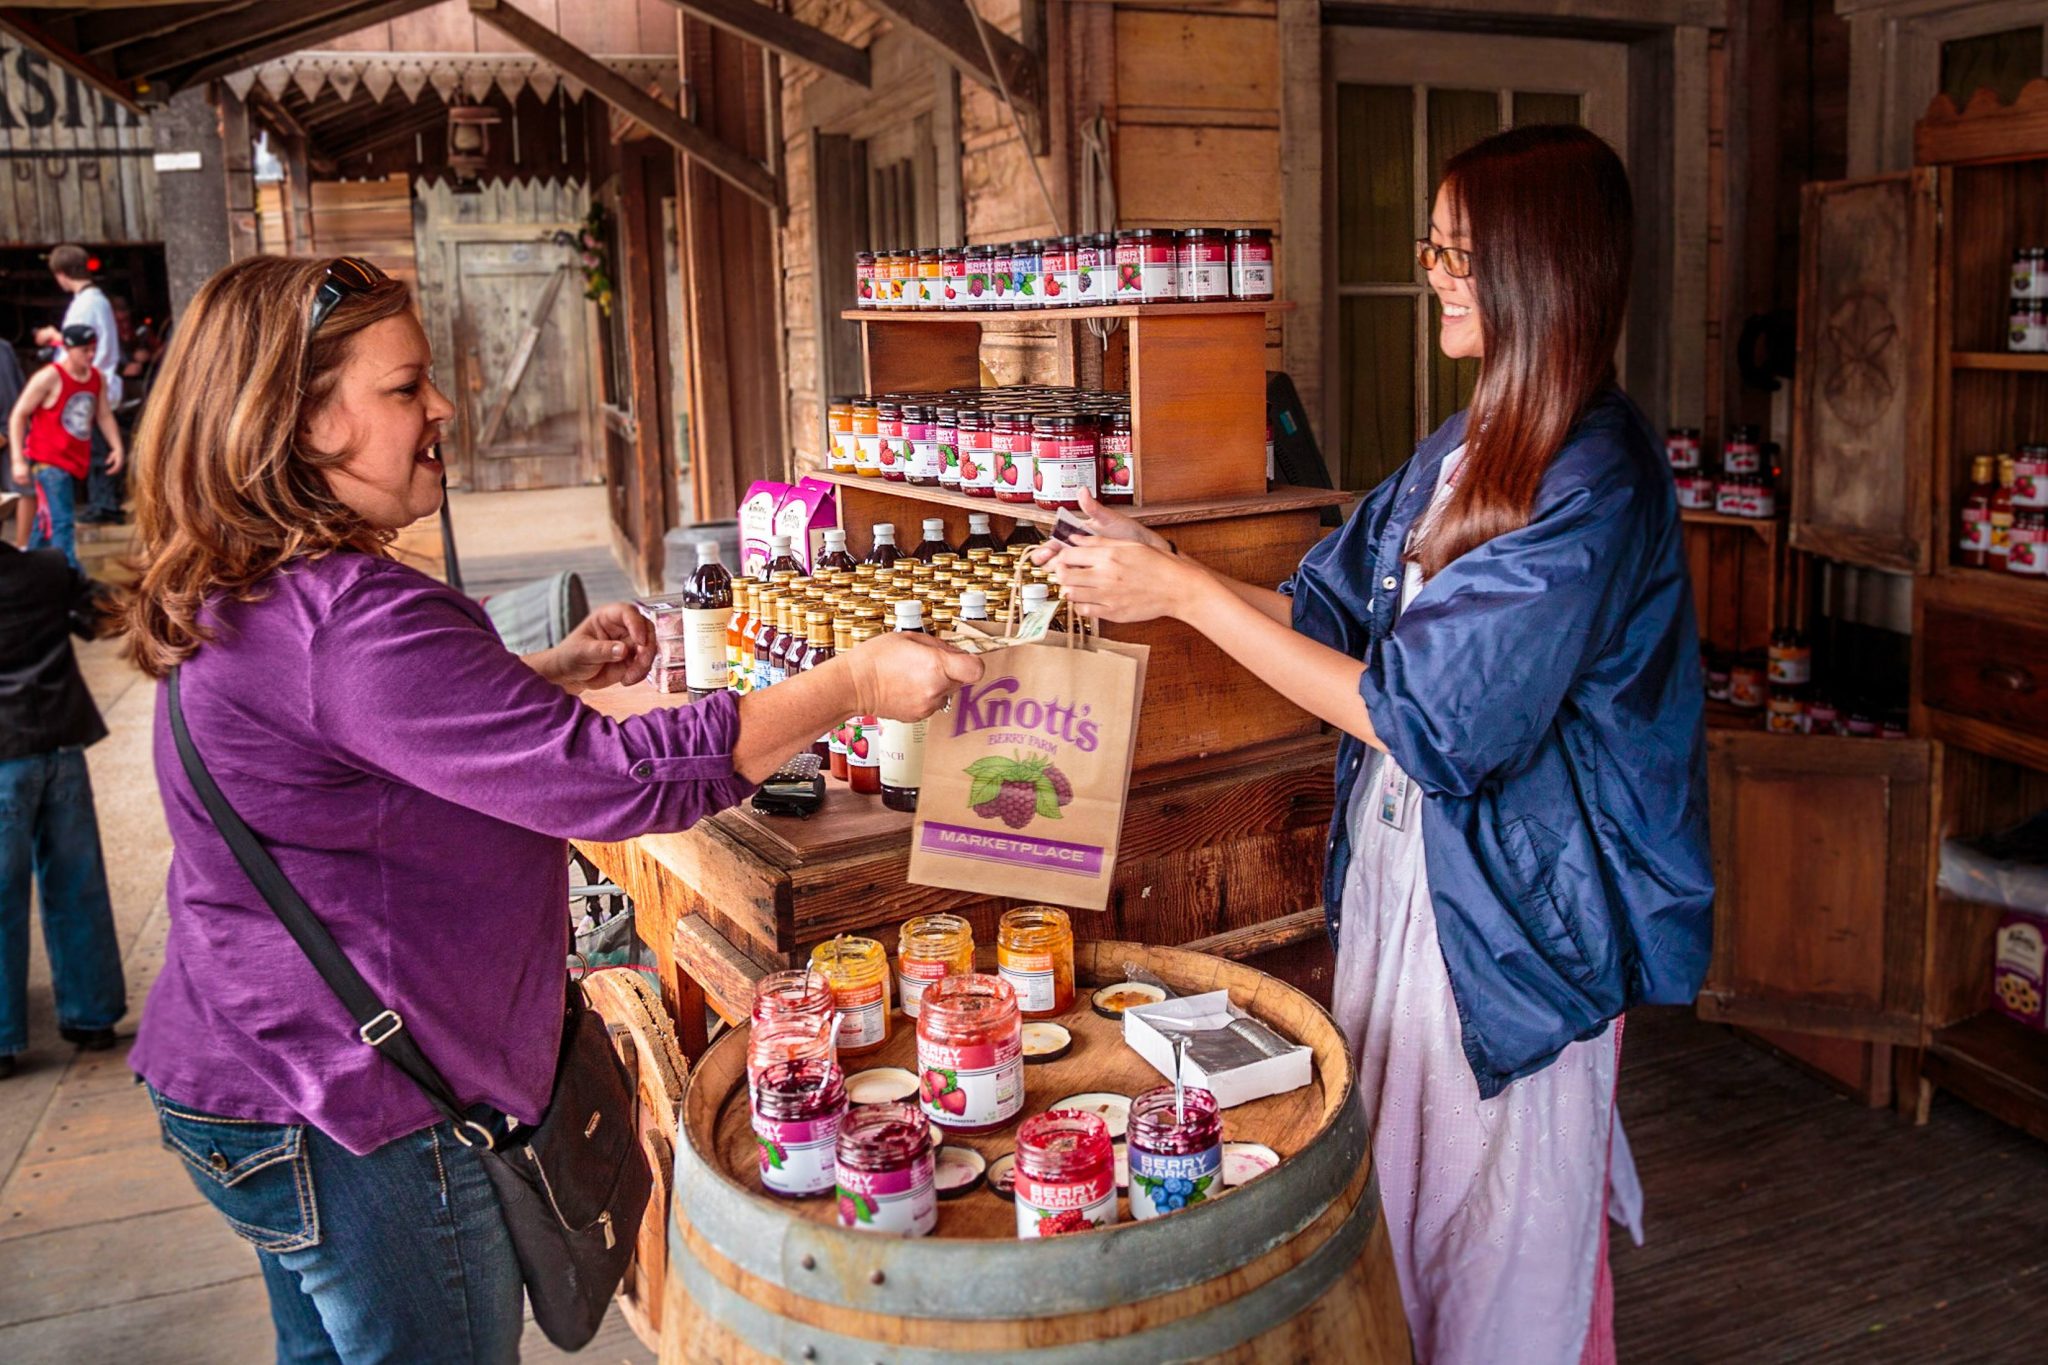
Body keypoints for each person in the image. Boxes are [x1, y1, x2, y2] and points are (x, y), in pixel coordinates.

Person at [115, 254, 980, 1364]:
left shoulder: (250, 583)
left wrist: (543, 672)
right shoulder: (353, 621)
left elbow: (353, 740)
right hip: (356, 1108)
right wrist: (849, 683)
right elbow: (619, 780)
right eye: (405, 387)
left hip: (246, 1064)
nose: (442, 408)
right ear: (299, 424)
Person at [1039, 125, 1712, 1365]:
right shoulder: (1470, 444)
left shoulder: (1594, 479)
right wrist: (1166, 566)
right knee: (1397, 1212)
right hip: (1414, 883)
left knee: (1496, 1248)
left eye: (1459, 253)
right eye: (1434, 249)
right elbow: (1329, 617)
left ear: (1542, 270)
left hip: (1515, 920)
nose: (1434, 275)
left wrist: (1183, 597)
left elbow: (1427, 721)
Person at [0, 488, 127, 1081]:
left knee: (2, 898)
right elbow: (101, 617)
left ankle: (4, 1038)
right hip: (61, 743)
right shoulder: (49, 569)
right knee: (78, 884)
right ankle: (92, 1016)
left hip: (4, 758)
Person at [9, 324, 124, 572]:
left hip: (74, 461)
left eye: (93, 349)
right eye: (84, 350)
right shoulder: (49, 377)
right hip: (48, 462)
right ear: (68, 349)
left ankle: (26, 573)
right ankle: (71, 578)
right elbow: (19, 414)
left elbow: (103, 414)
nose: (90, 355)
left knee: (44, 524)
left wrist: (116, 447)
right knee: (62, 523)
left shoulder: (96, 378)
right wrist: (17, 460)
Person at [34, 244, 124, 525]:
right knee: (97, 444)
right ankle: (104, 501)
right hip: (99, 380)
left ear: (61, 274)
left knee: (97, 449)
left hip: (90, 382)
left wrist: (53, 337)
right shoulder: (97, 301)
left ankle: (104, 504)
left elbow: (79, 344)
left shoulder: (85, 305)